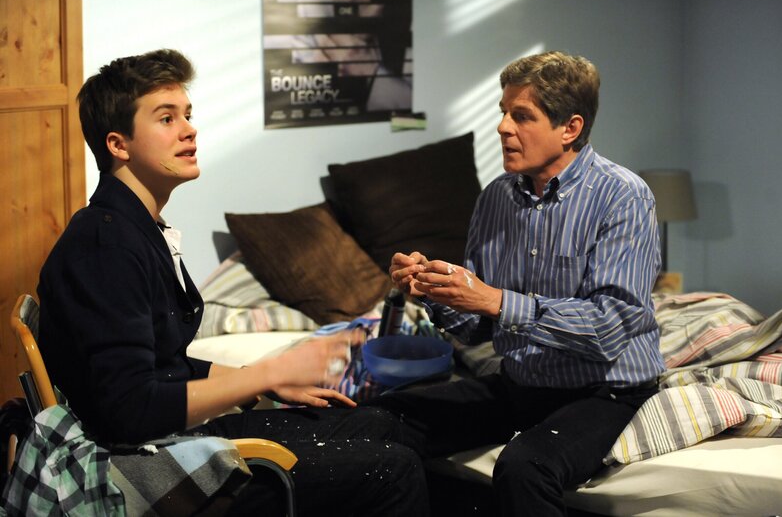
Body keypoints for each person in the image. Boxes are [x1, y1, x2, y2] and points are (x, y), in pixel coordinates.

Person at [36, 49, 428, 517]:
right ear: (119, 145)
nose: (189, 129)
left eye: (187, 115)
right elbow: (131, 409)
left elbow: (165, 367)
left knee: (379, 423)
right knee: (394, 468)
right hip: (135, 468)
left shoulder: (135, 228)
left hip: (160, 440)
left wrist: (260, 380)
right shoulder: (106, 247)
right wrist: (268, 375)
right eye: (167, 118)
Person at [372, 51, 665, 516]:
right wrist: (434, 292)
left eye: (521, 116)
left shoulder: (623, 196)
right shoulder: (496, 198)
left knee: (525, 467)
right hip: (520, 384)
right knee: (387, 417)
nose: (502, 127)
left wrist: (495, 300)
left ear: (570, 128)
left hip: (604, 391)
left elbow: (607, 327)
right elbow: (477, 329)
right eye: (503, 112)